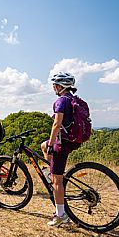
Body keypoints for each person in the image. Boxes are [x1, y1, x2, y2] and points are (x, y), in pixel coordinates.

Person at [41, 72, 81, 227]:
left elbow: (57, 124)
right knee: (43, 146)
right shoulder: (74, 99)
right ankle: (52, 172)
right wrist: (47, 145)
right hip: (74, 139)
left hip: (63, 142)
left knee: (57, 181)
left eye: (54, 85)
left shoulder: (61, 101)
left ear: (59, 86)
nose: (53, 87)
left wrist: (51, 144)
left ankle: (61, 216)